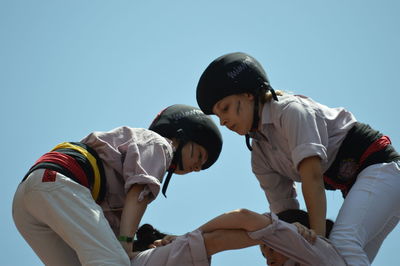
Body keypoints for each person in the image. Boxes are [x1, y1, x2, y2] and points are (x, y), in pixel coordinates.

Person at [196, 52, 400, 265]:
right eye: (218, 116)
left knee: (341, 244)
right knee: (342, 260)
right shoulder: (260, 155)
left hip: (382, 168)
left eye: (225, 109)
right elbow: (285, 214)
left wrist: (316, 242)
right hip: (372, 184)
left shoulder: (290, 110)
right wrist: (297, 234)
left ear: (248, 94)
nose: (222, 122)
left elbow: (312, 177)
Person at [12, 104, 222, 266]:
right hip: (59, 184)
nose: (196, 168)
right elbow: (138, 193)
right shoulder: (160, 144)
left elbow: (106, 236)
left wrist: (146, 247)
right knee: (115, 261)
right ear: (182, 134)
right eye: (200, 156)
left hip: (29, 200)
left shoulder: (122, 178)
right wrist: (125, 244)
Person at [129, 209, 345, 266]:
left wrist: (187, 238)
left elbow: (243, 217)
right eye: (264, 254)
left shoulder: (304, 246)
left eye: (269, 248)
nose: (268, 261)